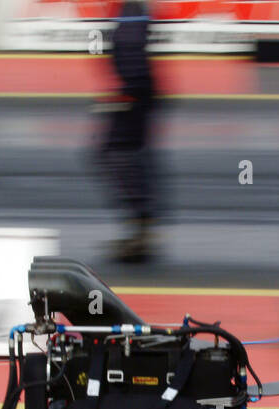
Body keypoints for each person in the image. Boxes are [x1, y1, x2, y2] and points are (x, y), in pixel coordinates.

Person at [96, 0, 159, 264]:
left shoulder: (132, 12)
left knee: (120, 156)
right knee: (126, 157)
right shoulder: (131, 10)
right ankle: (140, 229)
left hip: (134, 95)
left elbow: (130, 50)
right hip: (135, 93)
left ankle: (140, 233)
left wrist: (125, 95)